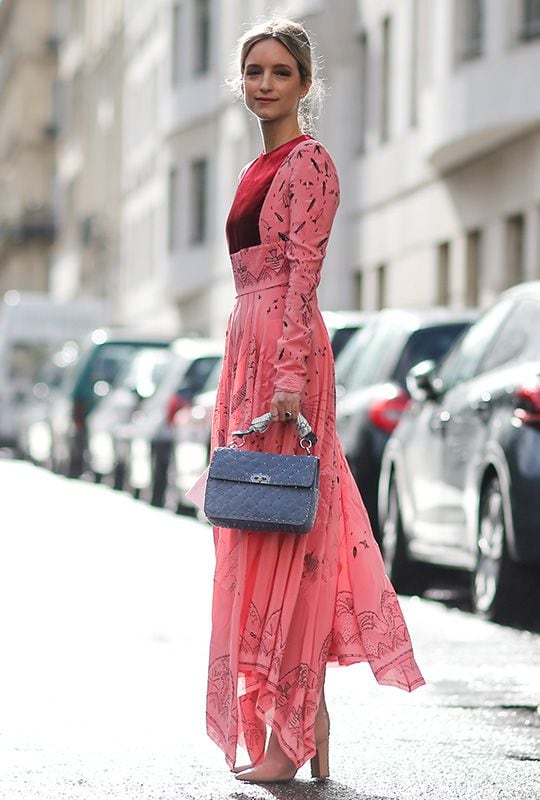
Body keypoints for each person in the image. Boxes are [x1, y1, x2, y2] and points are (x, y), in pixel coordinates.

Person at [206, 17, 425, 784]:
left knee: (292, 540)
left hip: (285, 362)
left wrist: (290, 377)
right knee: (255, 532)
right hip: (247, 350)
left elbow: (304, 274)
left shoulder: (310, 163)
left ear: (305, 83)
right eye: (254, 72)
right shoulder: (250, 172)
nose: (265, 84)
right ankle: (302, 721)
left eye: (280, 72)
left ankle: (290, 734)